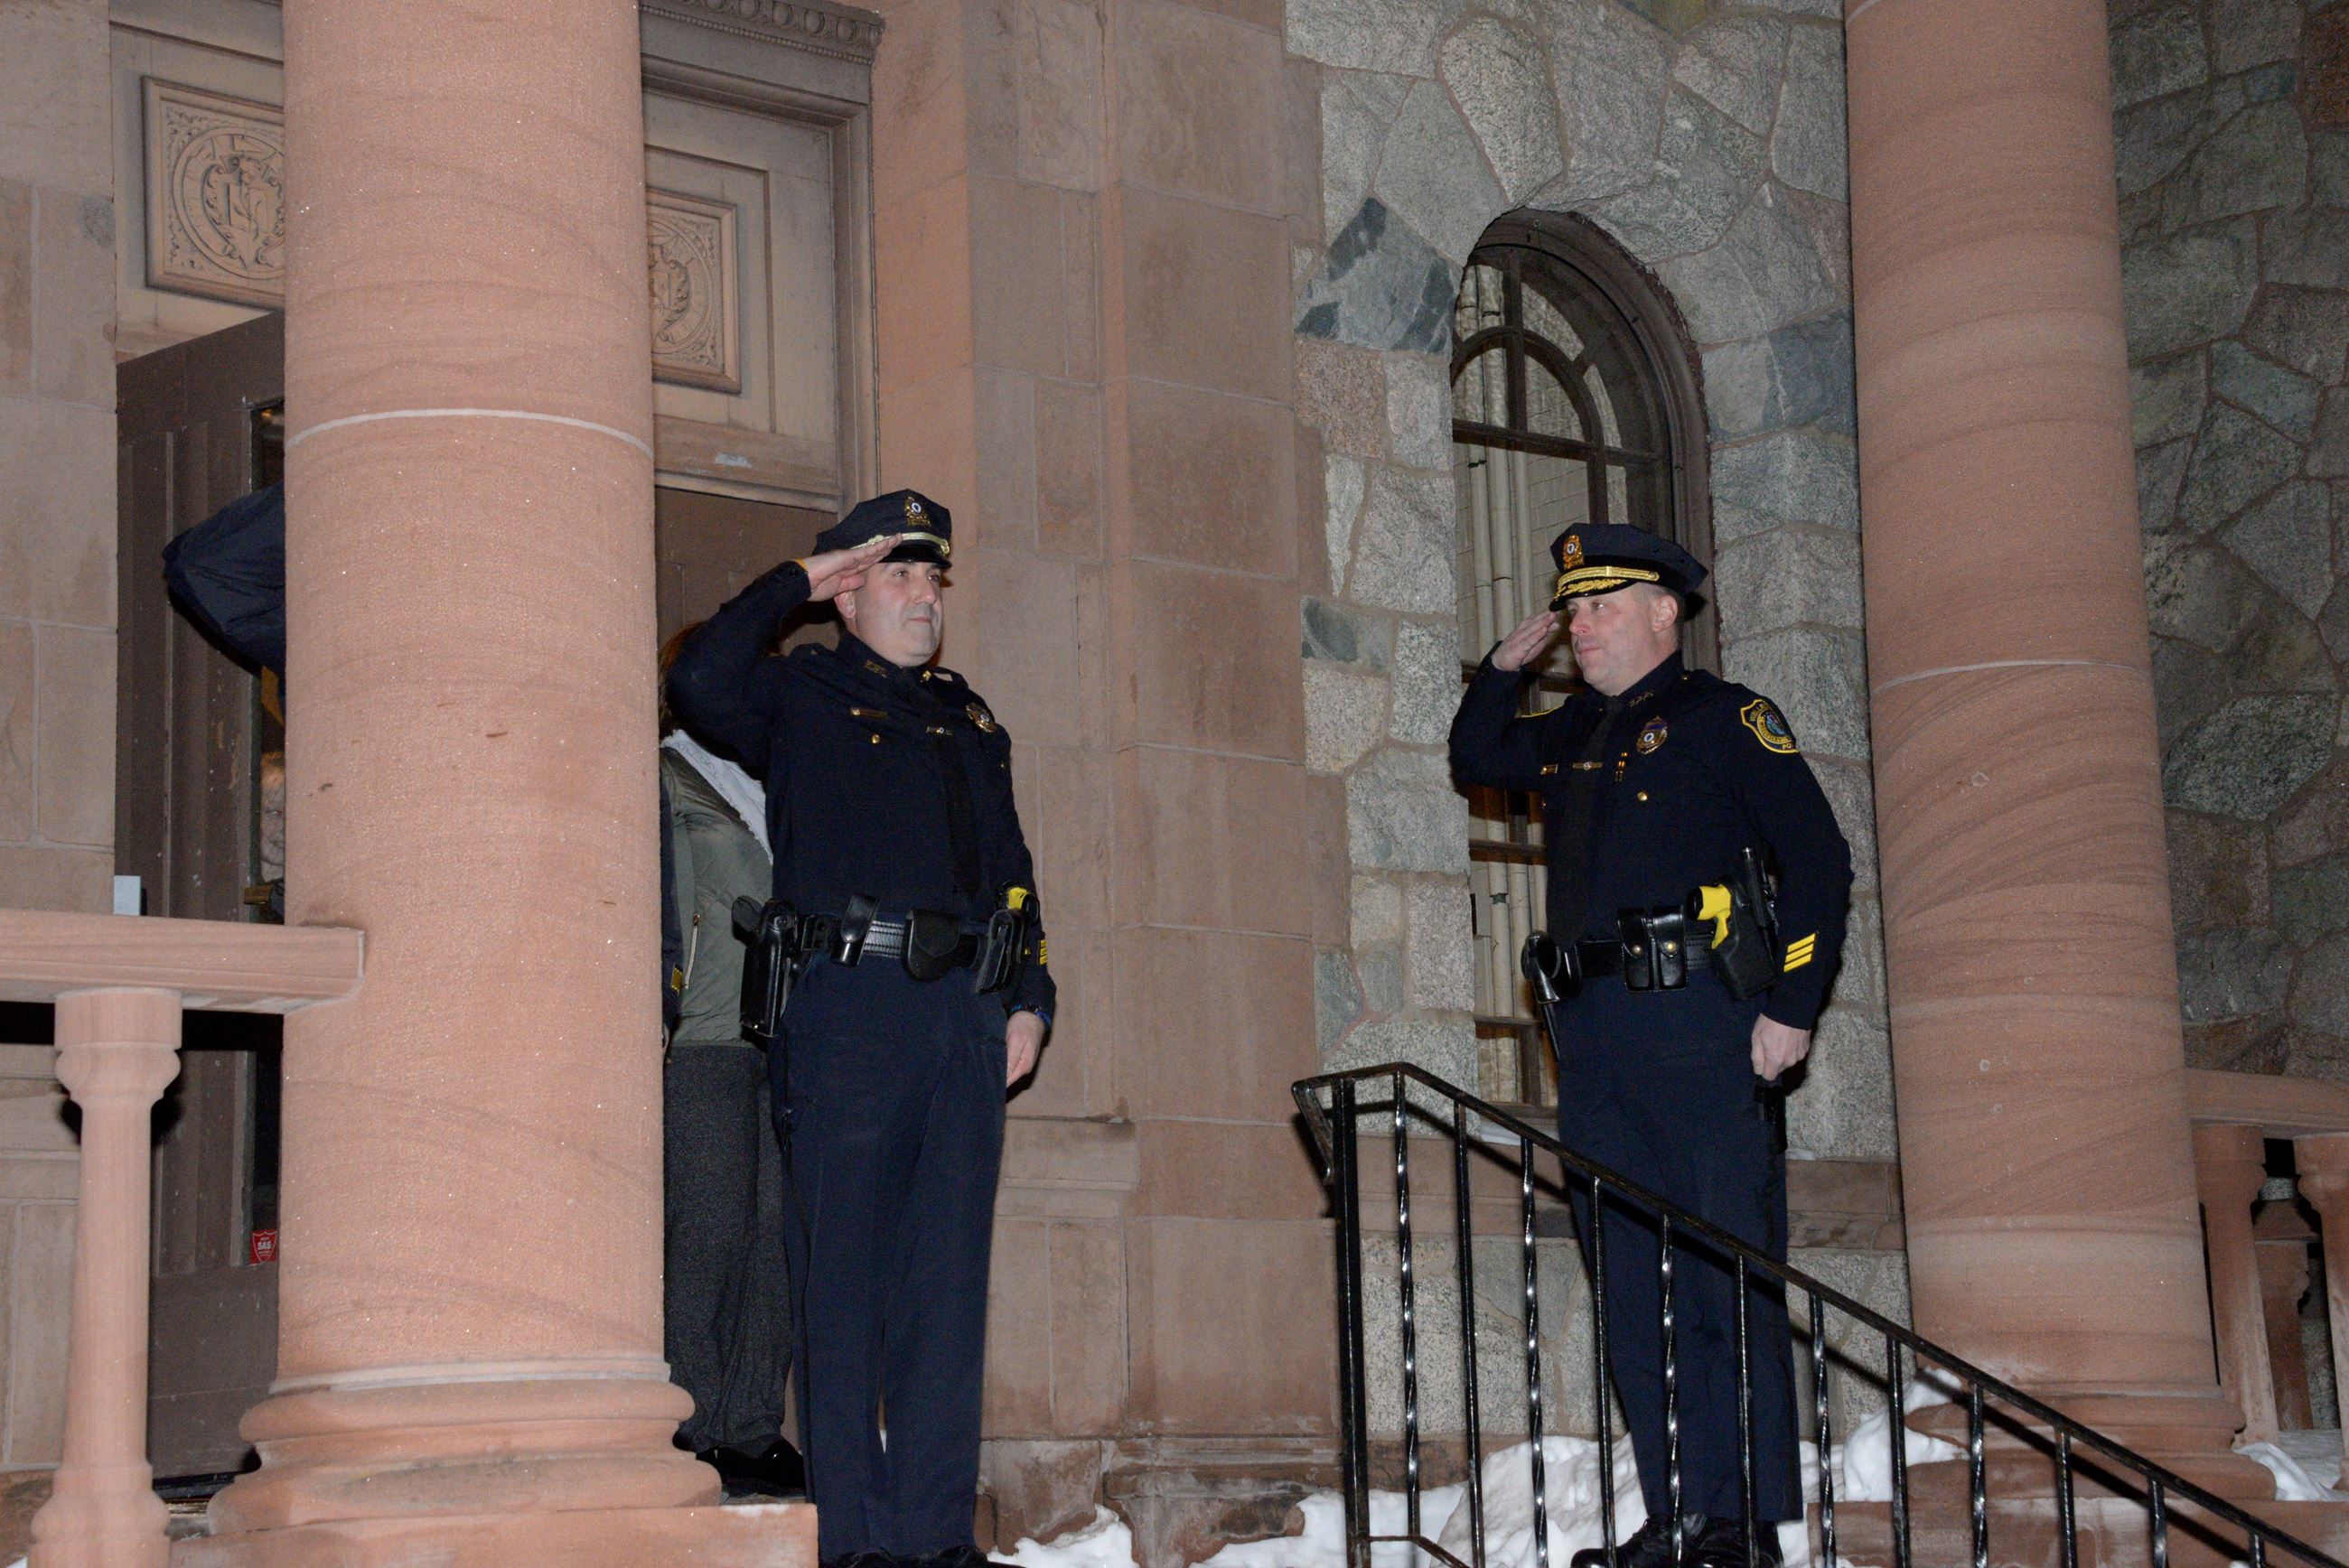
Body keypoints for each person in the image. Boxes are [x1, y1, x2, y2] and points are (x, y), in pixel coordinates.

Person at [1448, 524, 1852, 1568]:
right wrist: (1500, 669)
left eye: (1599, 603)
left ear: (1663, 610)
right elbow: (1476, 754)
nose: (1578, 624)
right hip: (1590, 1030)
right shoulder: (1575, 729)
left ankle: (1743, 1521)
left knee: (1723, 1267)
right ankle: (1674, 1511)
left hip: (1702, 1022)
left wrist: (1793, 1005)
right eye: (1570, 608)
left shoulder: (1725, 717)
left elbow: (1816, 859)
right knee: (1633, 1279)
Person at [664, 489, 1053, 1568]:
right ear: (849, 591)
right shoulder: (799, 693)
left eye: (932, 577)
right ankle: (859, 1543)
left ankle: (936, 1540)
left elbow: (1010, 874)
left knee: (943, 1291)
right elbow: (696, 679)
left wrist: (1031, 992)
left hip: (963, 1020)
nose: (922, 595)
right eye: (895, 572)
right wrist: (800, 579)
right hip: (849, 1014)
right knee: (839, 1288)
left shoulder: (971, 718)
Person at [659, 627, 803, 1498]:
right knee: (710, 1231)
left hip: (787, 1035)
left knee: (772, 1242)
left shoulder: (786, 785)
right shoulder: (665, 775)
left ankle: (752, 1428)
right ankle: (691, 1425)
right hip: (704, 1035)